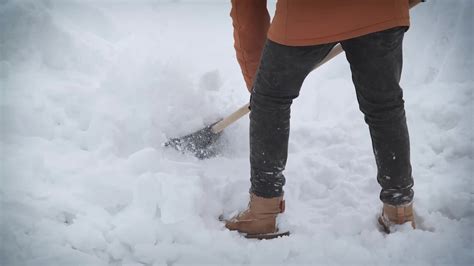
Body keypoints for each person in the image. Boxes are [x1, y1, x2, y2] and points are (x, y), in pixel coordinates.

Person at [223, 0, 423, 239]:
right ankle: (399, 211)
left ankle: (263, 212)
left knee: (271, 100)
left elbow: (248, 10)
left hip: (308, 13)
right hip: (382, 9)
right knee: (384, 106)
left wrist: (260, 90)